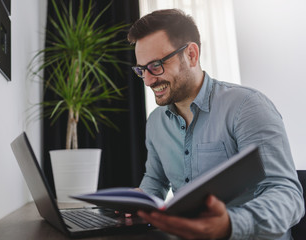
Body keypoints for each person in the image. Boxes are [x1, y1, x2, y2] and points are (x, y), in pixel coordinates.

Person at [127, 9, 304, 239]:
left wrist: (230, 225)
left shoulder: (247, 107)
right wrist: (137, 201)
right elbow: (156, 182)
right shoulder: (156, 123)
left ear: (191, 54)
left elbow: (287, 196)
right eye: (142, 70)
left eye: (156, 65)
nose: (148, 80)